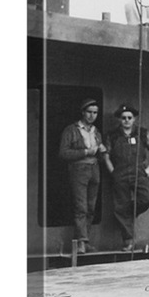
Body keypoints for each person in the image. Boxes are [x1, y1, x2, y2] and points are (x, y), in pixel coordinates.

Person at [103, 104, 149, 251]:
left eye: (129, 118)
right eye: (123, 118)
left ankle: (126, 214)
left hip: (138, 172)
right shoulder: (112, 135)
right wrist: (112, 171)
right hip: (120, 174)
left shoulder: (142, 133)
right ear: (119, 120)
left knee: (147, 198)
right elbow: (106, 155)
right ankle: (128, 242)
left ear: (134, 119)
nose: (126, 120)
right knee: (121, 206)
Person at [58, 98, 107, 253]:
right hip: (79, 169)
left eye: (95, 113)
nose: (92, 116)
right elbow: (63, 153)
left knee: (91, 207)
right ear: (83, 112)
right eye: (89, 112)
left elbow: (100, 150)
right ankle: (81, 241)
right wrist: (85, 152)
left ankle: (85, 241)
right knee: (81, 207)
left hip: (94, 169)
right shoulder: (71, 130)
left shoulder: (96, 131)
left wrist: (102, 150)